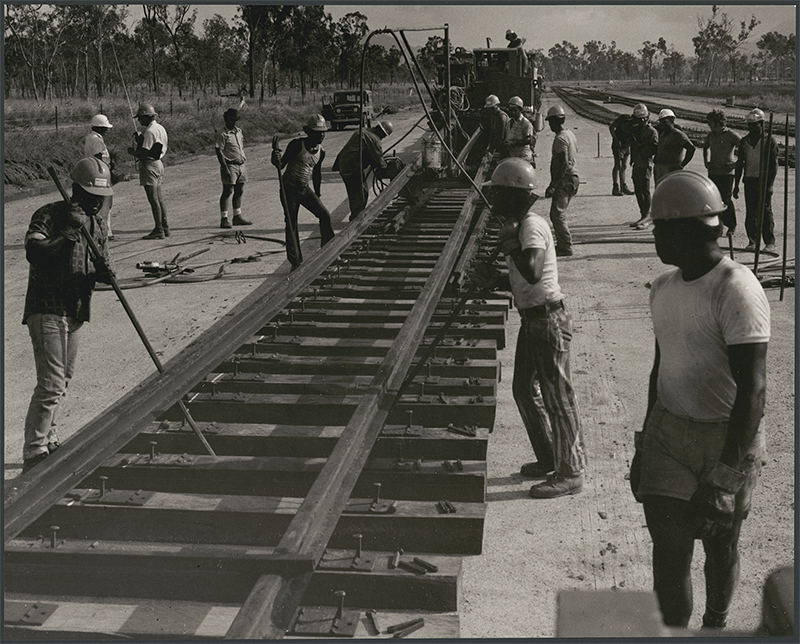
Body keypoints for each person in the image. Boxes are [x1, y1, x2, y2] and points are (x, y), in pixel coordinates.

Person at [630, 170, 770, 629]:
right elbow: (660, 368)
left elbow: (752, 389)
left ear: (686, 229)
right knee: (669, 554)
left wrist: (727, 476)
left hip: (724, 439)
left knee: (720, 546)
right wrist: (645, 443)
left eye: (660, 229)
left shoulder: (736, 289)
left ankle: (714, 624)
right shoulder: (662, 289)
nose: (655, 239)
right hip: (670, 434)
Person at [474, 158, 585, 498]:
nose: (494, 201)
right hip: (533, 319)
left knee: (558, 399)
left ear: (513, 195)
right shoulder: (520, 224)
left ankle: (571, 472)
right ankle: (551, 456)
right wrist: (494, 278)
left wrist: (509, 245)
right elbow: (524, 280)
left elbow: (534, 271)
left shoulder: (531, 226)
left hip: (548, 321)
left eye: (499, 194)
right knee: (524, 389)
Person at [21, 157, 115, 472]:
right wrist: (67, 235)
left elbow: (94, 269)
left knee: (63, 381)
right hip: (47, 307)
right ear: (75, 190)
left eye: (100, 197)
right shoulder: (49, 215)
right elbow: (35, 254)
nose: (96, 202)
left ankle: (50, 438)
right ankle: (34, 452)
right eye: (91, 195)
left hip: (75, 309)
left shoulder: (97, 224)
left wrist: (102, 272)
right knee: (50, 383)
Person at [271, 114, 335, 269]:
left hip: (304, 189)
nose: (321, 136)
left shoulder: (321, 152)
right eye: (318, 133)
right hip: (289, 190)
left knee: (324, 214)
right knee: (291, 223)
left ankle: (328, 251)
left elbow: (317, 173)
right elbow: (281, 165)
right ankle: (296, 262)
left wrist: (317, 194)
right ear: (309, 132)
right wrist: (275, 155)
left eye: (323, 133)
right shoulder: (296, 145)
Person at [733, 108, 779, 253]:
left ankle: (770, 242)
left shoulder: (769, 141)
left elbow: (774, 164)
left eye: (755, 124)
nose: (752, 127)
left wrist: (770, 184)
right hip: (750, 180)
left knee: (765, 210)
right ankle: (752, 241)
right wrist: (736, 185)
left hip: (763, 180)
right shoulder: (744, 141)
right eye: (750, 124)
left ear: (761, 124)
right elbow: (740, 163)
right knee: (751, 211)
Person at [333, 120, 392, 220]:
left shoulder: (364, 131)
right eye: (384, 135)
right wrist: (386, 167)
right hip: (352, 168)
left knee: (356, 193)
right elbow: (379, 160)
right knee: (361, 194)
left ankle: (356, 217)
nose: (383, 138)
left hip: (346, 166)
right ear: (381, 132)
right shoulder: (373, 138)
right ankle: (357, 220)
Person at [127, 103, 170, 240]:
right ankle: (165, 227)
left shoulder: (150, 132)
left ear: (147, 117)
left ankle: (159, 229)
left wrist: (132, 152)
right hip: (158, 164)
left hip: (149, 165)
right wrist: (141, 140)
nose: (139, 121)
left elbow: (144, 154)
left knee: (153, 199)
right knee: (159, 198)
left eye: (140, 118)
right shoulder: (160, 128)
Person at [544, 105, 579, 257]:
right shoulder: (570, 134)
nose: (550, 125)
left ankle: (565, 246)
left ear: (555, 122)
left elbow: (563, 163)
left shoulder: (560, 138)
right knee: (558, 214)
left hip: (566, 179)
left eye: (550, 122)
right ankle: (563, 243)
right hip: (572, 178)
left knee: (557, 215)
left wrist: (553, 185)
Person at [703, 109, 741, 238]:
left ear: (719, 122)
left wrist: (736, 164)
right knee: (713, 200)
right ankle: (718, 226)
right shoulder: (711, 135)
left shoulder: (731, 135)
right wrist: (706, 161)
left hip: (727, 174)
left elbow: (745, 149)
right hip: (713, 172)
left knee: (726, 199)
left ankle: (731, 225)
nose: (709, 125)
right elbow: (705, 147)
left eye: (711, 123)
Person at [215, 108, 252, 229]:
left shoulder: (239, 131)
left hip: (241, 165)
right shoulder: (222, 134)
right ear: (226, 119)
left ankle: (237, 216)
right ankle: (224, 218)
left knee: (239, 190)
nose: (233, 122)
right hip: (230, 165)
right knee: (228, 191)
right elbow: (219, 151)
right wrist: (224, 167)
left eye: (234, 120)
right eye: (230, 119)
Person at [84, 114, 116, 239]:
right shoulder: (97, 140)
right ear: (100, 128)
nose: (107, 130)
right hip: (100, 173)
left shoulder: (90, 137)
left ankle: (101, 231)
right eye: (106, 128)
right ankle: (105, 232)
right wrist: (110, 171)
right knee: (105, 204)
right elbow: (99, 157)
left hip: (93, 171)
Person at [629, 103, 659, 230]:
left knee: (645, 190)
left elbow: (653, 149)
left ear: (647, 118)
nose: (641, 121)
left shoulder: (651, 132)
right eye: (638, 119)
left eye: (643, 118)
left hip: (646, 164)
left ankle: (647, 217)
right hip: (637, 163)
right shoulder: (637, 130)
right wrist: (632, 158)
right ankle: (643, 215)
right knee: (638, 190)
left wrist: (639, 147)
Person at [653, 108, 695, 185]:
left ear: (671, 120)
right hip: (660, 168)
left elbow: (691, 148)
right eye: (661, 122)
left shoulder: (678, 134)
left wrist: (682, 164)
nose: (661, 124)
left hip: (671, 168)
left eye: (664, 122)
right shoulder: (663, 134)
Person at [609, 113, 636, 196]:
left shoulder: (637, 125)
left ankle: (623, 186)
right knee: (617, 165)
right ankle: (616, 187)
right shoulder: (624, 118)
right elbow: (611, 127)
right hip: (618, 144)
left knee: (624, 166)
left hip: (626, 145)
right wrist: (616, 139)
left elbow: (633, 139)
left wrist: (625, 150)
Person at [502, 96, 535, 164]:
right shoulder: (509, 123)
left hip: (524, 158)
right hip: (513, 157)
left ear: (520, 110)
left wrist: (514, 142)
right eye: (511, 110)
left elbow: (529, 139)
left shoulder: (525, 123)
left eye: (515, 110)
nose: (513, 112)